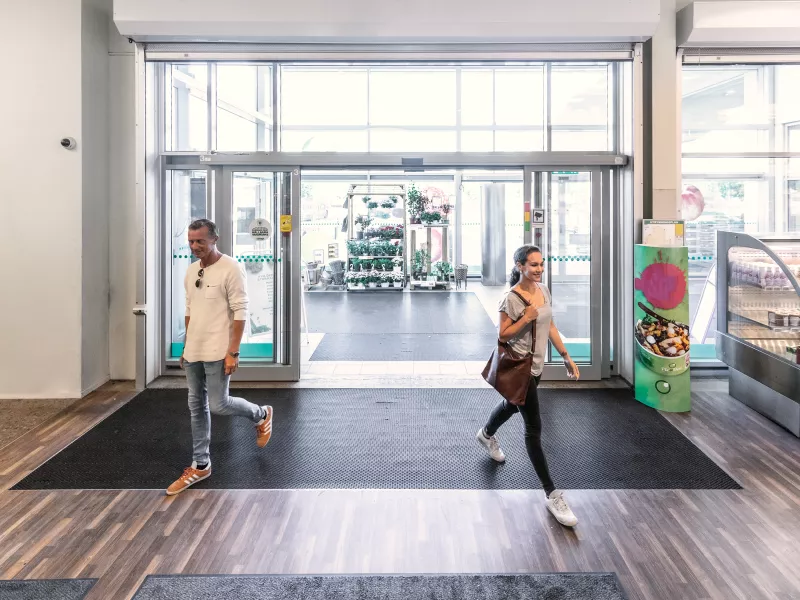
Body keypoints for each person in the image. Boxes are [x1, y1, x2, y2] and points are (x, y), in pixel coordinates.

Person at [166, 218, 273, 496]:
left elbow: (240, 312)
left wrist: (232, 352)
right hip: (194, 351)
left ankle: (260, 414)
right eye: (191, 241)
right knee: (195, 406)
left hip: (218, 350)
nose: (194, 246)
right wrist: (186, 346)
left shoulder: (231, 268)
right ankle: (201, 464)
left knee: (219, 404)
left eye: (200, 241)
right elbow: (190, 309)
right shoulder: (191, 271)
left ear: (215, 239)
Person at [476, 245, 580, 527]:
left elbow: (551, 326)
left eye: (541, 264)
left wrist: (566, 357)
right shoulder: (511, 299)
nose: (539, 269)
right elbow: (504, 334)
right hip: (520, 368)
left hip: (537, 367)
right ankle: (552, 493)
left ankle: (486, 434)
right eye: (533, 265)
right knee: (533, 429)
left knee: (513, 403)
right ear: (520, 266)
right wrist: (526, 318)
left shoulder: (543, 290)